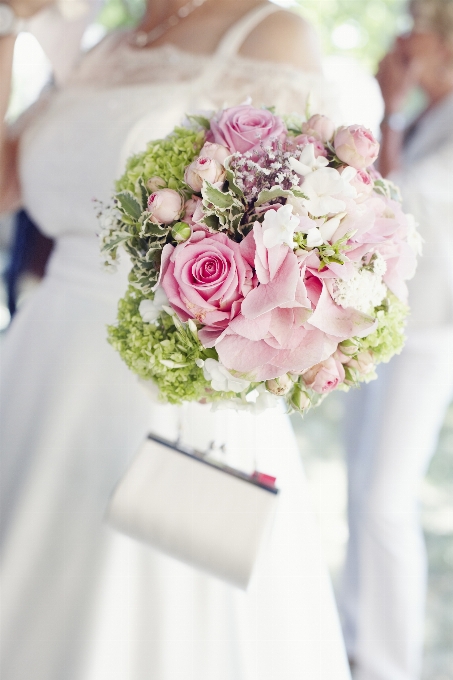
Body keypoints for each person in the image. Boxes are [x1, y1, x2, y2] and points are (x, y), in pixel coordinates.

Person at [0, 2, 352, 679]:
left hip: (173, 390)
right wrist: (9, 29)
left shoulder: (271, 33)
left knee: (142, 617)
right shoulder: (107, 46)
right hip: (38, 366)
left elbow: (318, 237)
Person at [339, 1, 453, 678]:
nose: (402, 33)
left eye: (416, 19)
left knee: (385, 496)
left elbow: (393, 200)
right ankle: (358, 635)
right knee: (360, 485)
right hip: (390, 323)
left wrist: (387, 107)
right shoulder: (431, 116)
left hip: (430, 334)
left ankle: (389, 664)